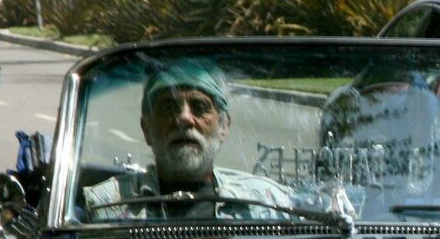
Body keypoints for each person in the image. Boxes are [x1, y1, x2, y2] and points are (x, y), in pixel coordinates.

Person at [84, 60, 293, 219]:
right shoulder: (105, 206)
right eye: (168, 107)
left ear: (223, 127)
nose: (184, 118)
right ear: (146, 129)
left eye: (199, 107)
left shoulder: (264, 204)